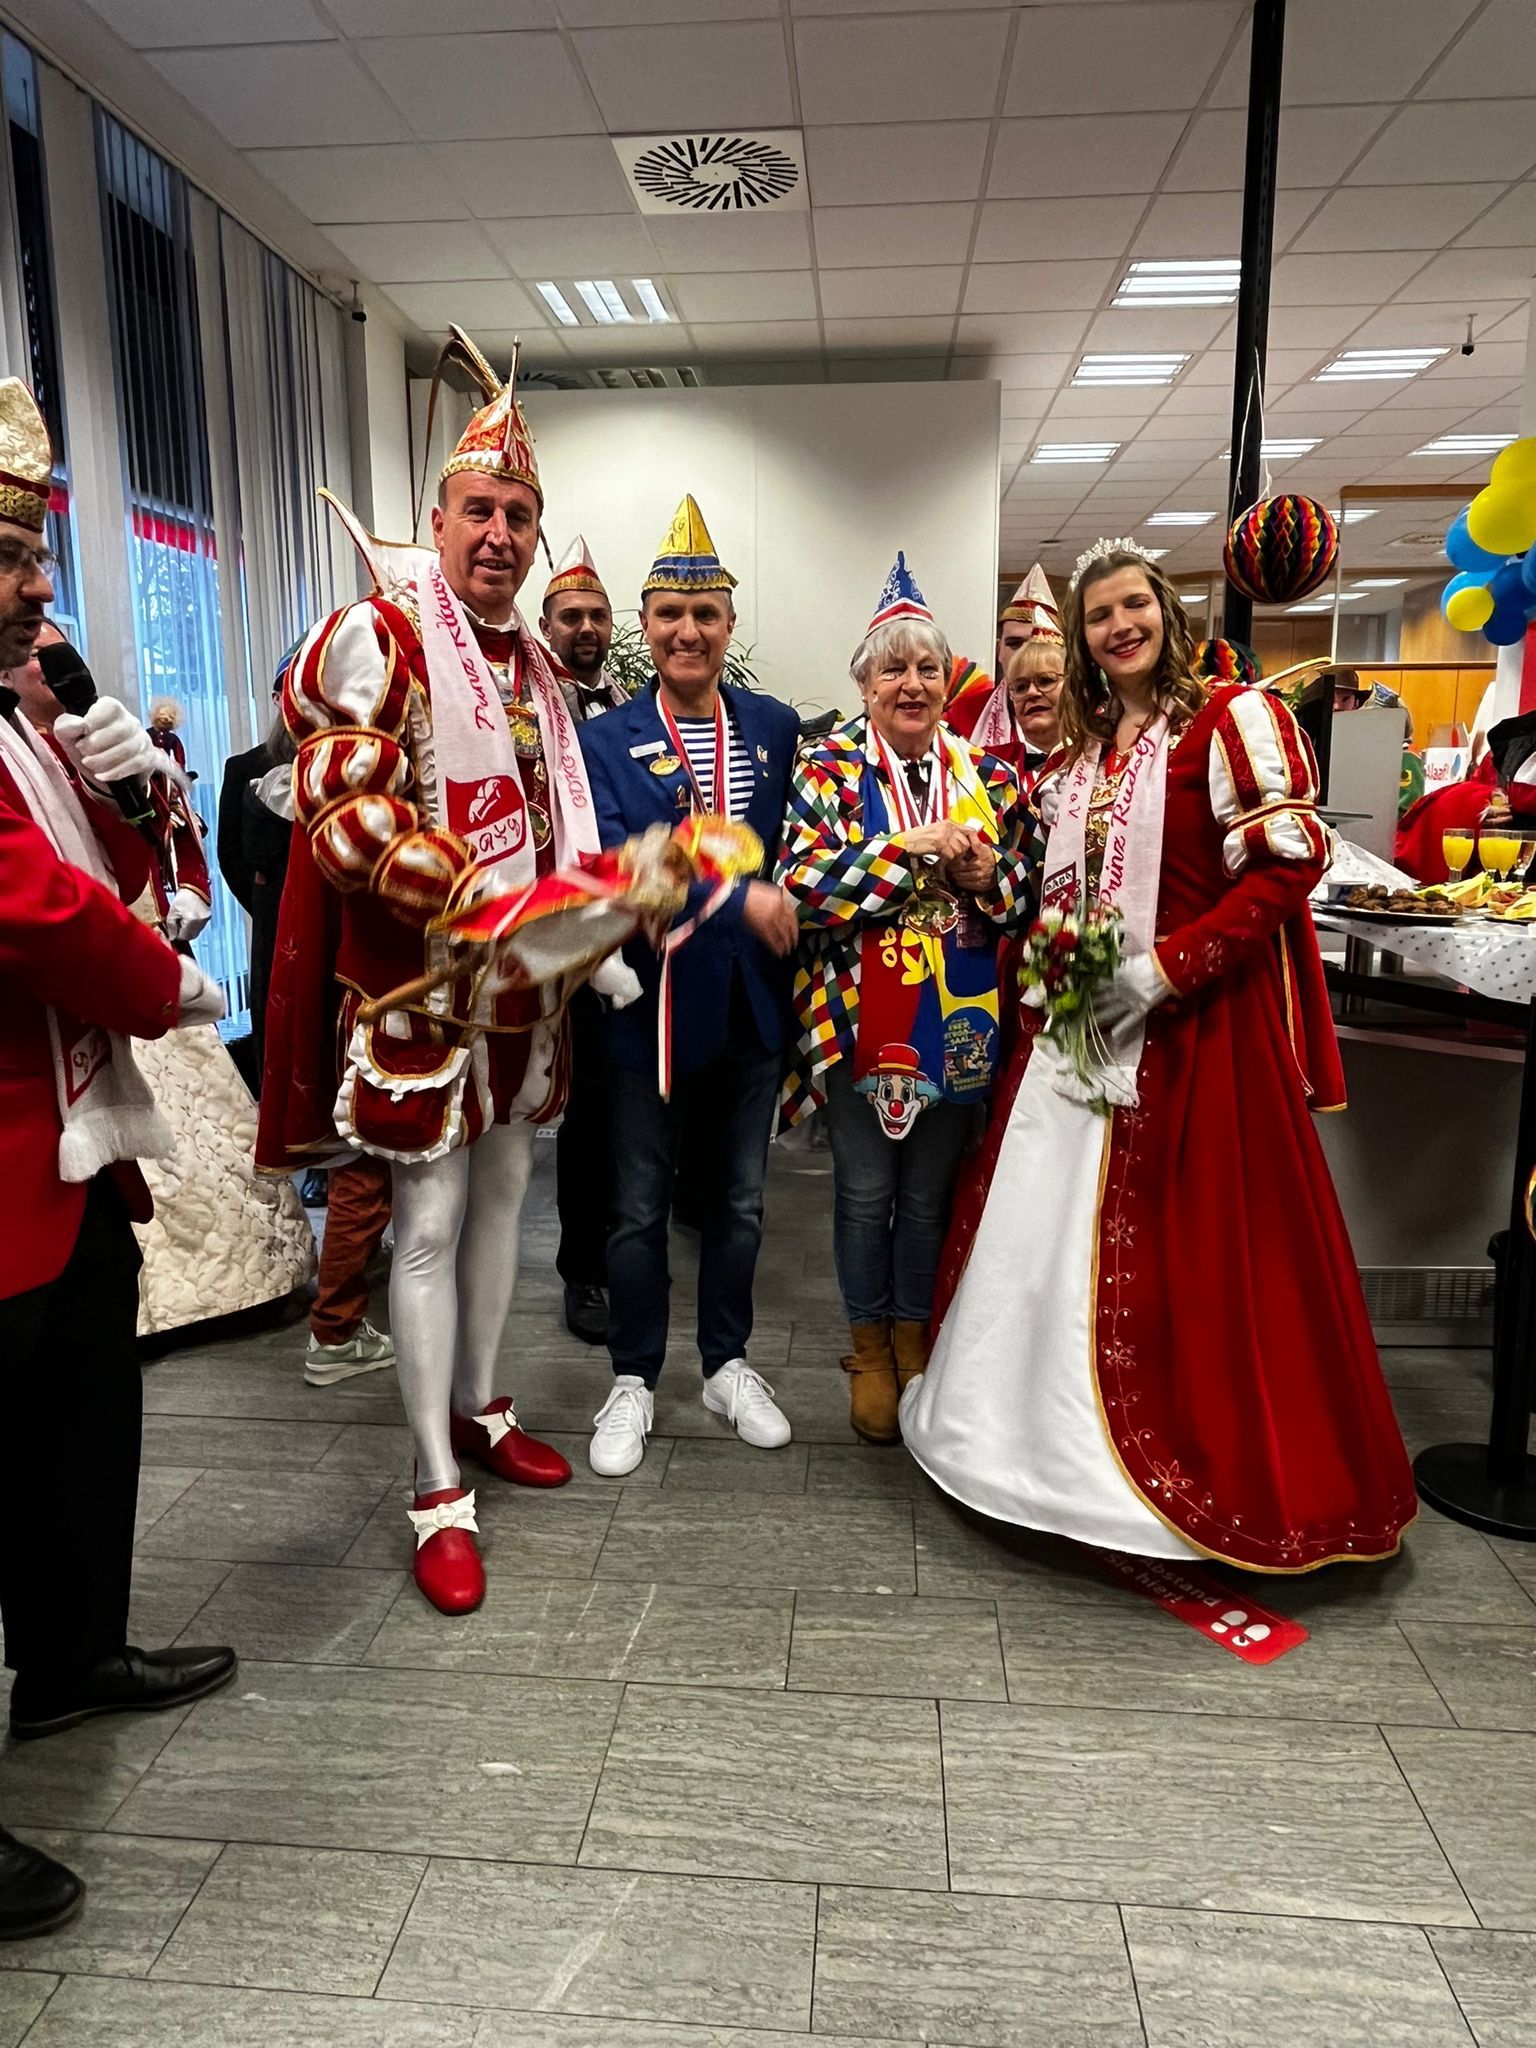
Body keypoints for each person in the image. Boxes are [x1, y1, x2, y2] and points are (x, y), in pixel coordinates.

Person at [902, 539, 1416, 1573]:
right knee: (1041, 1237)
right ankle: (1025, 1448)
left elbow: (1283, 871)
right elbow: (1065, 890)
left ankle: (1176, 1466)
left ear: (1166, 612)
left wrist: (1165, 972)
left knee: (1202, 1258)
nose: (1118, 626)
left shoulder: (1230, 721)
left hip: (1196, 1035)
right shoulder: (1084, 750)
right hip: (1079, 1028)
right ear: (1082, 637)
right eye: (1099, 615)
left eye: (1132, 604)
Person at [256, 328, 595, 1615]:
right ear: (438, 520)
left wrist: (585, 912)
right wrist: (462, 893)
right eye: (480, 511)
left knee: (508, 1199)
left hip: (524, 996)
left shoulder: (539, 668)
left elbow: (556, 822)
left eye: (519, 515)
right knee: (432, 1222)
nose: (499, 533)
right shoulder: (380, 635)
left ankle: (481, 1403)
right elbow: (340, 815)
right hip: (420, 997)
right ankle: (434, 1480)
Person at [0, 378, 235, 1940]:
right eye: (12, 553)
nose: (39, 584)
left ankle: (72, 1656)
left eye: (36, 552)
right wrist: (173, 985)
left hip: (66, 1144)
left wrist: (127, 785)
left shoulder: (22, 715)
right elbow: (30, 906)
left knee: (85, 1410)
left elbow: (113, 865)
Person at [779, 553, 1034, 1442]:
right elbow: (802, 886)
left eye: (928, 667)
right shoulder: (827, 768)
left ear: (948, 680)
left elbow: (1026, 898)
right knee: (863, 1193)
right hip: (860, 1018)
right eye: (893, 669)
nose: (913, 684)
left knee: (928, 1195)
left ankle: (913, 1340)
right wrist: (910, 851)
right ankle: (868, 1350)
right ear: (865, 683)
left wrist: (988, 878)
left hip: (960, 1020)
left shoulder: (991, 777)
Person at [578, 495, 801, 1477]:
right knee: (636, 1207)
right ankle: (633, 1376)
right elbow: (612, 865)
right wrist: (737, 896)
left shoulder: (776, 727)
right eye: (670, 613)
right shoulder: (605, 741)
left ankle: (726, 1364)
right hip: (649, 1011)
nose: (688, 631)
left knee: (740, 1203)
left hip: (753, 1004)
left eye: (706, 614)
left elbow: (796, 847)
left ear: (729, 625)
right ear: (646, 623)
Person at [538, 536, 629, 1346]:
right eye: (571, 617)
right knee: (591, 1113)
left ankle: (631, 1253)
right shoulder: (531, 710)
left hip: (640, 930)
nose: (587, 628)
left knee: (639, 1105)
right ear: (547, 625)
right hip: (574, 941)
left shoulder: (631, 702)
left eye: (597, 615)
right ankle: (585, 1271)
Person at [944, 563, 1061, 761]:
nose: (1025, 654)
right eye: (1015, 643)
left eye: (1037, 644)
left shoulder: (1093, 725)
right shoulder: (965, 715)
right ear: (999, 650)